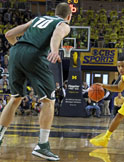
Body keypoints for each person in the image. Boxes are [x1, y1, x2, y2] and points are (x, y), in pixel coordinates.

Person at [0, 2, 72, 161]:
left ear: (54, 12)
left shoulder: (38, 19)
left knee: (15, 98)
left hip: (15, 52)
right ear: (69, 16)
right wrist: (54, 50)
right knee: (49, 100)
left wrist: (20, 51)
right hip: (35, 55)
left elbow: (9, 34)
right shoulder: (63, 24)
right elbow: (57, 34)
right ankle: (43, 146)